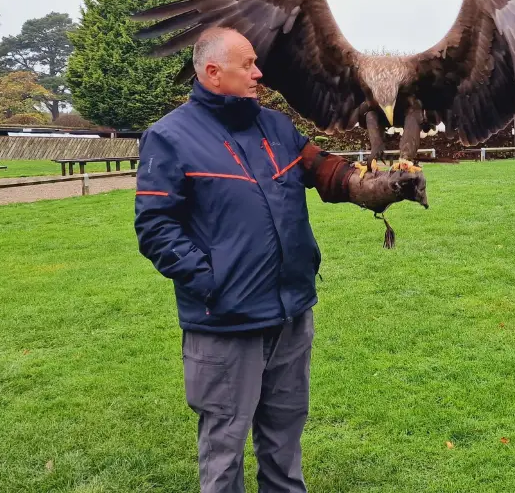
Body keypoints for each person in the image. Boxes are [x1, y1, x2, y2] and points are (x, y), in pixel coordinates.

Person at [133, 26, 427, 493]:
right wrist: (213, 282)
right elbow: (155, 228)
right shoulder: (169, 138)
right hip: (226, 324)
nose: (259, 72)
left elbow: (325, 170)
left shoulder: (275, 127)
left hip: (291, 313)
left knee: (284, 442)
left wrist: (374, 186)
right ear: (213, 73)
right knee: (224, 448)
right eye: (247, 64)